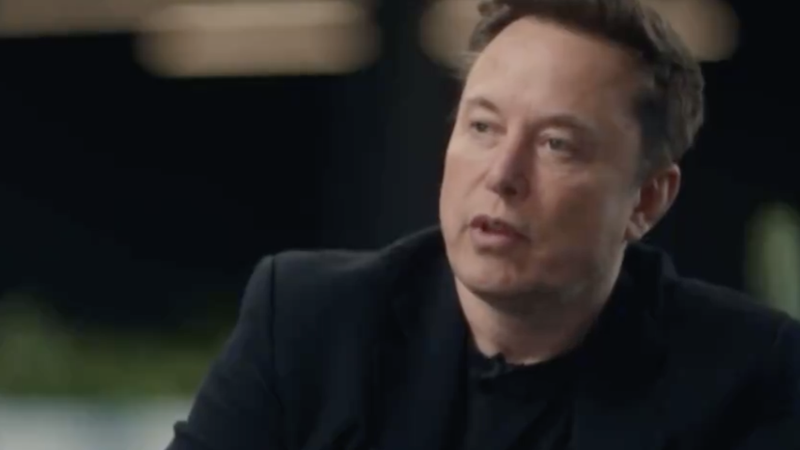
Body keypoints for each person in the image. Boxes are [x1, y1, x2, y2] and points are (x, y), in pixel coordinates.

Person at [166, 0, 800, 449]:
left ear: (647, 200)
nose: (502, 174)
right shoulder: (308, 323)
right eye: (482, 126)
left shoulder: (748, 375)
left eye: (556, 143)